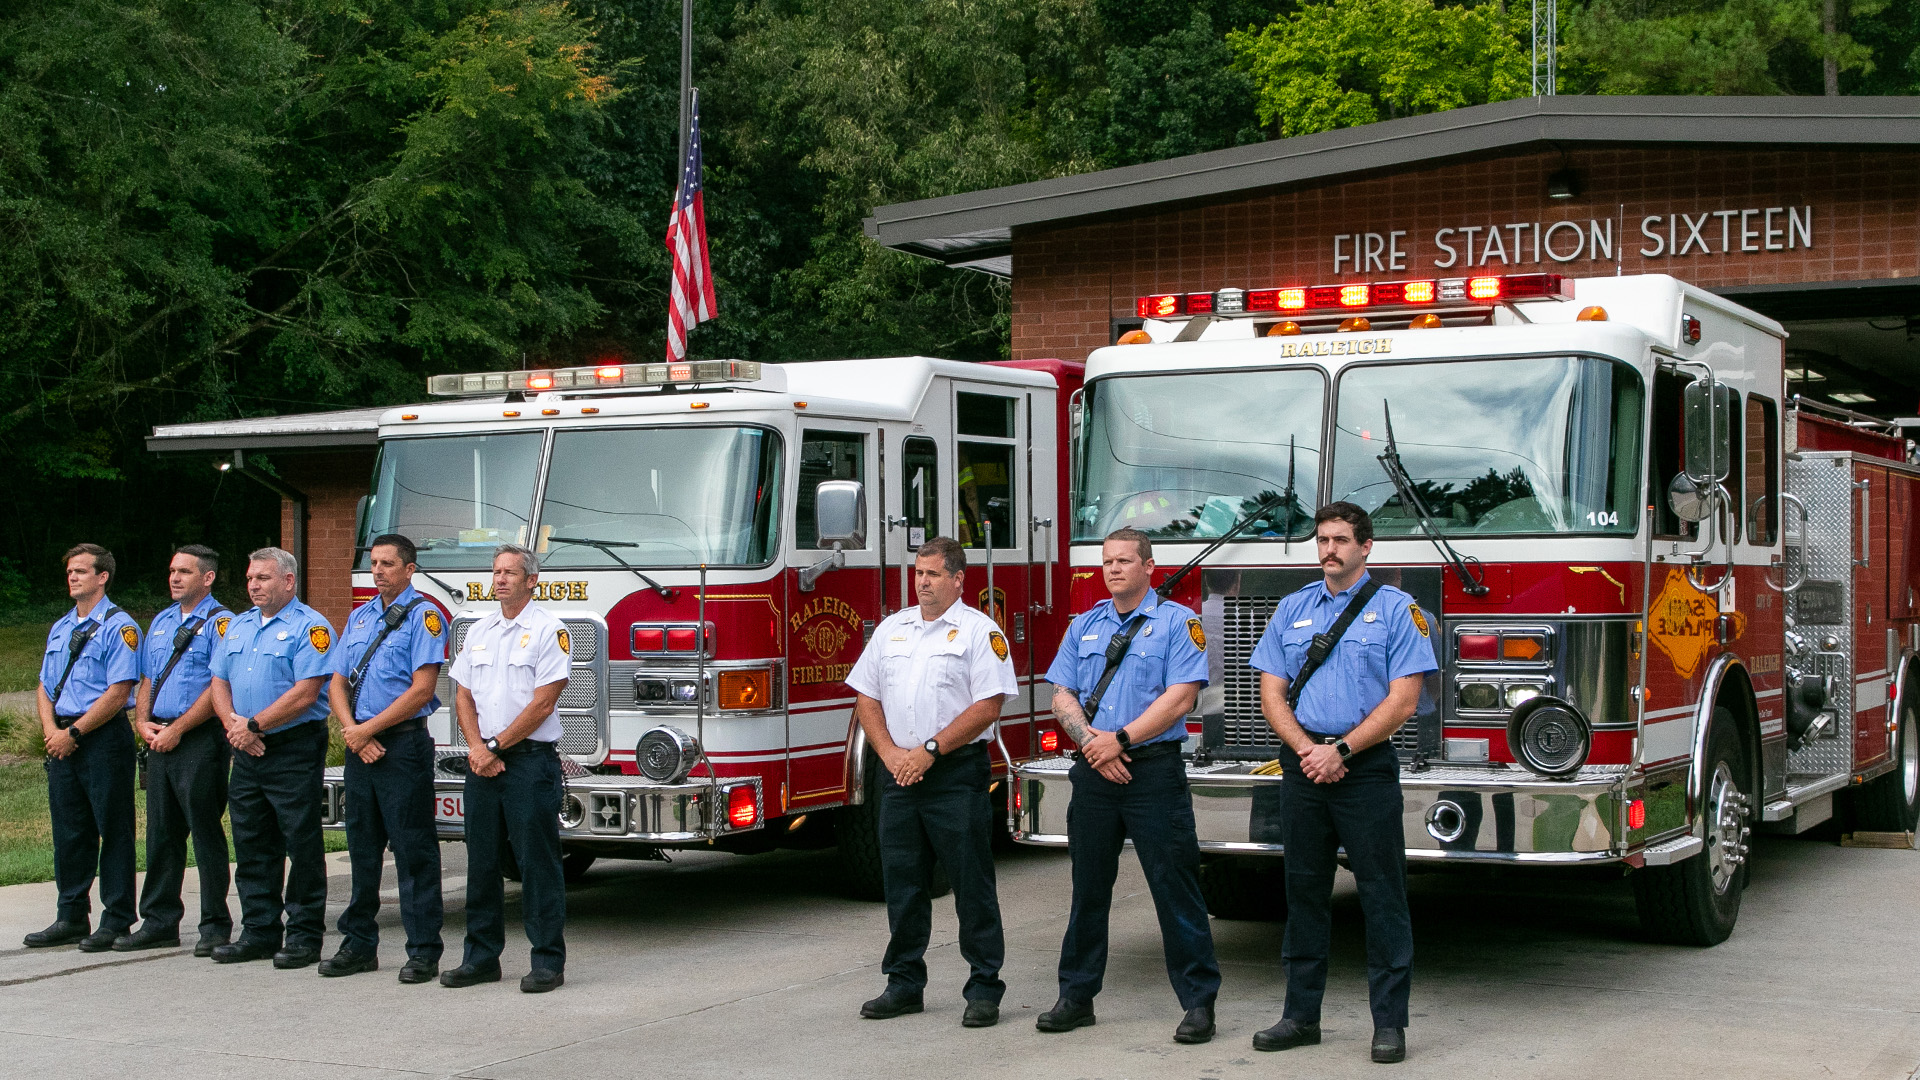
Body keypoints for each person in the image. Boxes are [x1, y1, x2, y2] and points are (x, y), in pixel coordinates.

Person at [1248, 502, 1438, 1065]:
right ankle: (1300, 1017)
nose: (1329, 550)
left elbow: (1404, 701)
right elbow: (1271, 692)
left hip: (1365, 770)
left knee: (1382, 895)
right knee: (1303, 894)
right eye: (1322, 540)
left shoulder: (1399, 611)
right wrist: (1308, 750)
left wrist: (1343, 750)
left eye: (1340, 540)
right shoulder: (1291, 608)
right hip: (1304, 766)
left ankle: (1389, 1025)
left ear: (1366, 547)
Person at [1038, 527, 1220, 1043]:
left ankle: (1199, 1004)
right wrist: (1093, 745)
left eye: (1124, 561)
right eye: (1108, 561)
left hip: (1153, 773)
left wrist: (1119, 739)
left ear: (1149, 567)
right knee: (1088, 890)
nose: (1114, 569)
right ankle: (1075, 997)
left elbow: (1181, 698)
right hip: (1095, 771)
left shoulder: (1177, 624)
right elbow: (1063, 694)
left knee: (1174, 888)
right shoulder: (1086, 624)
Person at [845, 537, 1017, 1028]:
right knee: (902, 885)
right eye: (919, 573)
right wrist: (893, 754)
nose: (923, 582)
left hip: (955, 774)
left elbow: (988, 704)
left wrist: (930, 751)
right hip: (898, 775)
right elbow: (866, 697)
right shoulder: (892, 629)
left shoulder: (979, 632)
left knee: (972, 886)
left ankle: (984, 988)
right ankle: (903, 984)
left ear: (959, 580)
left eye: (934, 574)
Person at [442, 544, 571, 993]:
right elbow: (462, 695)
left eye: (510, 573)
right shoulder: (479, 630)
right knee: (480, 862)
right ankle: (480, 958)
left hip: (528, 764)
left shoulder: (548, 631)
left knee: (536, 863)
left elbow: (544, 702)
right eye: (495, 572)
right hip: (482, 763)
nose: (499, 580)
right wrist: (478, 748)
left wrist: (496, 745)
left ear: (531, 580)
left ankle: (547, 962)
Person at [322, 533, 447, 982]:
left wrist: (366, 731)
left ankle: (423, 950)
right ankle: (358, 944)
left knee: (413, 850)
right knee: (362, 849)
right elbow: (337, 681)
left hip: (402, 748)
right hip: (362, 747)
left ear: (409, 569)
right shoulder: (358, 619)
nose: (377, 571)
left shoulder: (425, 617)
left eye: (388, 564)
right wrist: (352, 732)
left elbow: (422, 690)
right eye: (373, 563)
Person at [208, 547, 335, 968]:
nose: (253, 585)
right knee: (251, 839)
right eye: (249, 578)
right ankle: (259, 931)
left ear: (287, 581)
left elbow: (307, 691)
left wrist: (255, 726)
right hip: (244, 746)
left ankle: (303, 936)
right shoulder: (238, 626)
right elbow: (218, 681)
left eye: (262, 578)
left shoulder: (310, 627)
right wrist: (235, 728)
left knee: (300, 841)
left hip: (292, 746)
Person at [25, 544, 142, 951]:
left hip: (101, 739)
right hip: (61, 740)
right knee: (69, 831)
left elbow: (120, 690)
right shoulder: (60, 627)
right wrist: (51, 731)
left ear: (102, 576)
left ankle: (117, 919)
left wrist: (73, 733)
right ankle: (71, 915)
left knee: (113, 829)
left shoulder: (119, 625)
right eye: (70, 571)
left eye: (81, 571)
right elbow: (44, 685)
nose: (73, 577)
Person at [119, 545, 233, 956]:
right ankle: (160, 921)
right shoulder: (162, 622)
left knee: (203, 830)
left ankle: (215, 924)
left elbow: (218, 687)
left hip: (199, 738)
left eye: (184, 571)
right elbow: (148, 677)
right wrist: (142, 722)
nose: (174, 578)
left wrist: (179, 729)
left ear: (207, 577)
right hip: (158, 737)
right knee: (161, 833)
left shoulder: (223, 624)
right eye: (172, 571)